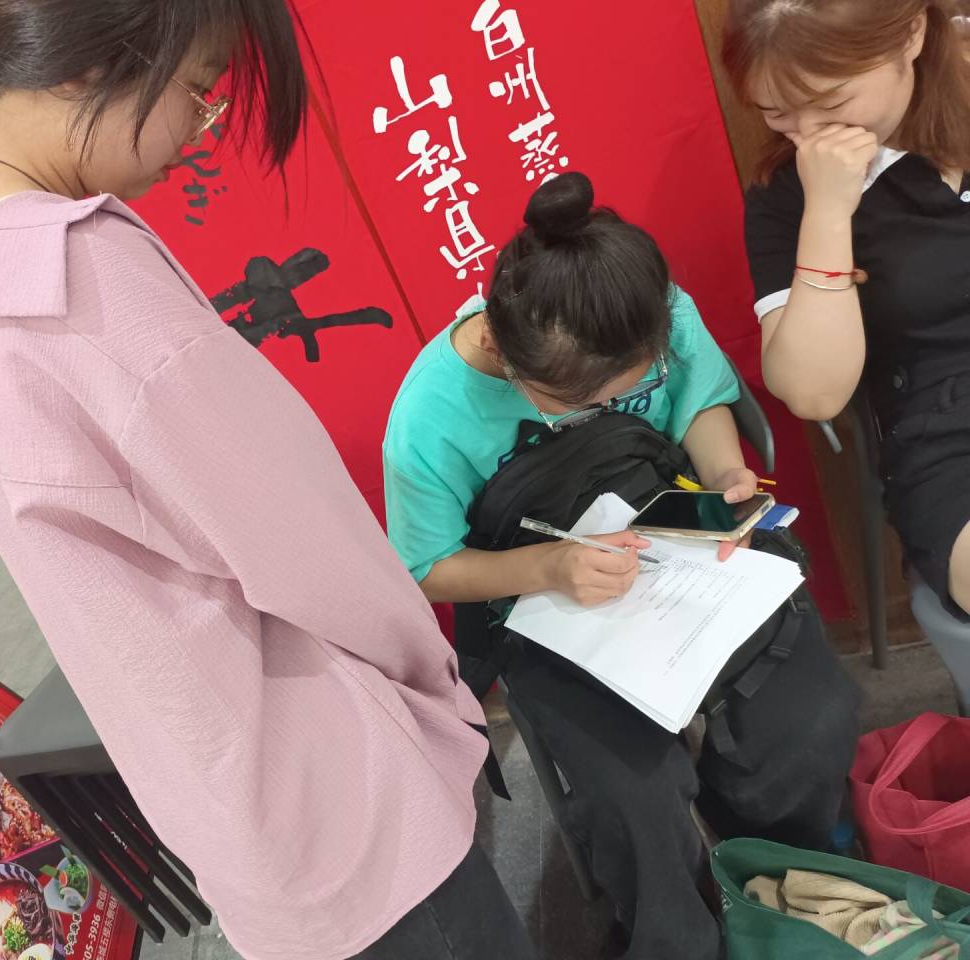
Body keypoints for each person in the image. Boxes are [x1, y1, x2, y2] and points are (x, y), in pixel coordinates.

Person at [0, 2, 537, 958]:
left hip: (234, 805)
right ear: (80, 64)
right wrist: (437, 687)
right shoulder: (84, 277)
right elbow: (316, 551)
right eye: (197, 90)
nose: (202, 126)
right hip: (349, 793)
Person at [383, 172, 860, 960]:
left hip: (679, 546)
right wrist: (550, 568)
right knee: (634, 801)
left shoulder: (646, 305)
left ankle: (778, 884)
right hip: (541, 598)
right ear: (500, 348)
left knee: (808, 716)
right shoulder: (430, 415)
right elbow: (428, 566)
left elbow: (699, 400)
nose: (610, 408)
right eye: (580, 402)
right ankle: (680, 941)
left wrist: (724, 477)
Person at [722, 0, 970, 622]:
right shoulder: (788, 195)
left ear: (911, 34)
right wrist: (829, 212)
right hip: (949, 432)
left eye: (830, 103)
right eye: (777, 111)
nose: (808, 135)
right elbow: (814, 393)